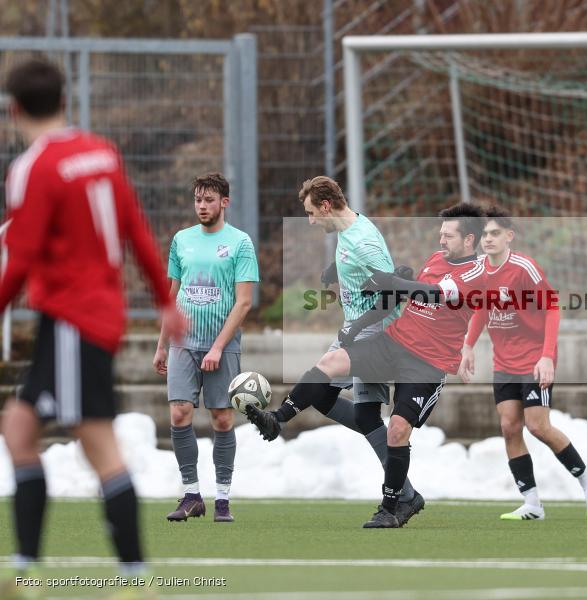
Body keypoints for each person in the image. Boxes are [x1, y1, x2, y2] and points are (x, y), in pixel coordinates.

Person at [0, 59, 188, 584]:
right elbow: (135, 227)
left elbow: (21, 257)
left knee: (98, 443)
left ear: (13, 110)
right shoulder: (101, 153)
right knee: (19, 428)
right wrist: (163, 301)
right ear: (64, 100)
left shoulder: (33, 168)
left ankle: (134, 577)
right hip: (93, 316)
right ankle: (25, 571)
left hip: (71, 318)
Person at [246, 203, 486, 528]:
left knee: (397, 429)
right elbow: (404, 293)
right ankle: (276, 419)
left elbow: (431, 295)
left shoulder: (477, 274)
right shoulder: (436, 259)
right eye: (440, 234)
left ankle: (391, 507)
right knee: (331, 362)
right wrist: (369, 299)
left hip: (427, 364)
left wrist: (393, 281)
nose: (441, 240)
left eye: (448, 236)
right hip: (394, 344)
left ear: (469, 240)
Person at [285, 175, 423, 524]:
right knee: (364, 417)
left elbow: (392, 290)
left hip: (373, 336)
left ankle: (279, 417)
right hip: (360, 330)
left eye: (311, 213)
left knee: (321, 385)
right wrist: (340, 269)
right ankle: (406, 494)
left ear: (326, 206)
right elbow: (368, 269)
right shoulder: (350, 228)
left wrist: (359, 328)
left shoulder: (362, 239)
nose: (310, 221)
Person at [460, 206, 587, 521]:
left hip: (534, 359)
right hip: (504, 362)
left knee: (538, 426)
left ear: (509, 236)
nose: (488, 239)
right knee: (509, 427)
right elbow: (481, 308)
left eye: (495, 233)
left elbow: (552, 307)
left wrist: (547, 356)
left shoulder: (524, 268)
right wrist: (468, 346)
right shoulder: (479, 269)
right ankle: (532, 503)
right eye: (485, 234)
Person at [152, 173, 258, 523]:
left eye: (209, 200)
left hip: (221, 348)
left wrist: (217, 347)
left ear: (224, 202)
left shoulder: (240, 243)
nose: (202, 206)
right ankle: (191, 495)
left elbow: (244, 302)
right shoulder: (181, 240)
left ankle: (223, 499)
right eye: (198, 199)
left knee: (222, 418)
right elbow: (172, 294)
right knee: (179, 413)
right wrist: (161, 344)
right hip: (183, 343)